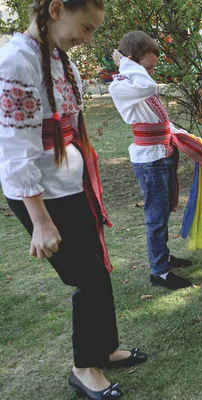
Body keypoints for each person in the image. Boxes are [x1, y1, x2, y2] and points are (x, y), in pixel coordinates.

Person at [0, 1, 147, 398]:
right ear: (56, 9)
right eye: (86, 27)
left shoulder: (59, 59)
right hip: (43, 194)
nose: (88, 39)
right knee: (87, 277)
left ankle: (107, 348)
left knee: (98, 267)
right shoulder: (16, 61)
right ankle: (84, 367)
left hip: (71, 184)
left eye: (93, 31)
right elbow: (14, 149)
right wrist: (40, 220)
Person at [109, 31, 202, 290]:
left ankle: (164, 257)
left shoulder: (139, 80)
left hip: (163, 153)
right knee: (155, 217)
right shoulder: (122, 84)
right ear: (133, 61)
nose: (151, 73)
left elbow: (160, 121)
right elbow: (149, 87)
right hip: (150, 162)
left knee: (164, 210)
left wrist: (183, 136)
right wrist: (125, 63)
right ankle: (158, 271)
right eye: (147, 67)